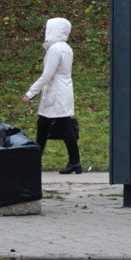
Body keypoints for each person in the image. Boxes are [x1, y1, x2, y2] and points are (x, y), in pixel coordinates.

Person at [23, 17, 82, 174]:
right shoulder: (66, 48)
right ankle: (73, 162)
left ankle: (72, 162)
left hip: (55, 94)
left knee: (58, 128)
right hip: (64, 92)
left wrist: (30, 93)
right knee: (47, 126)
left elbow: (46, 76)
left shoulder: (55, 50)